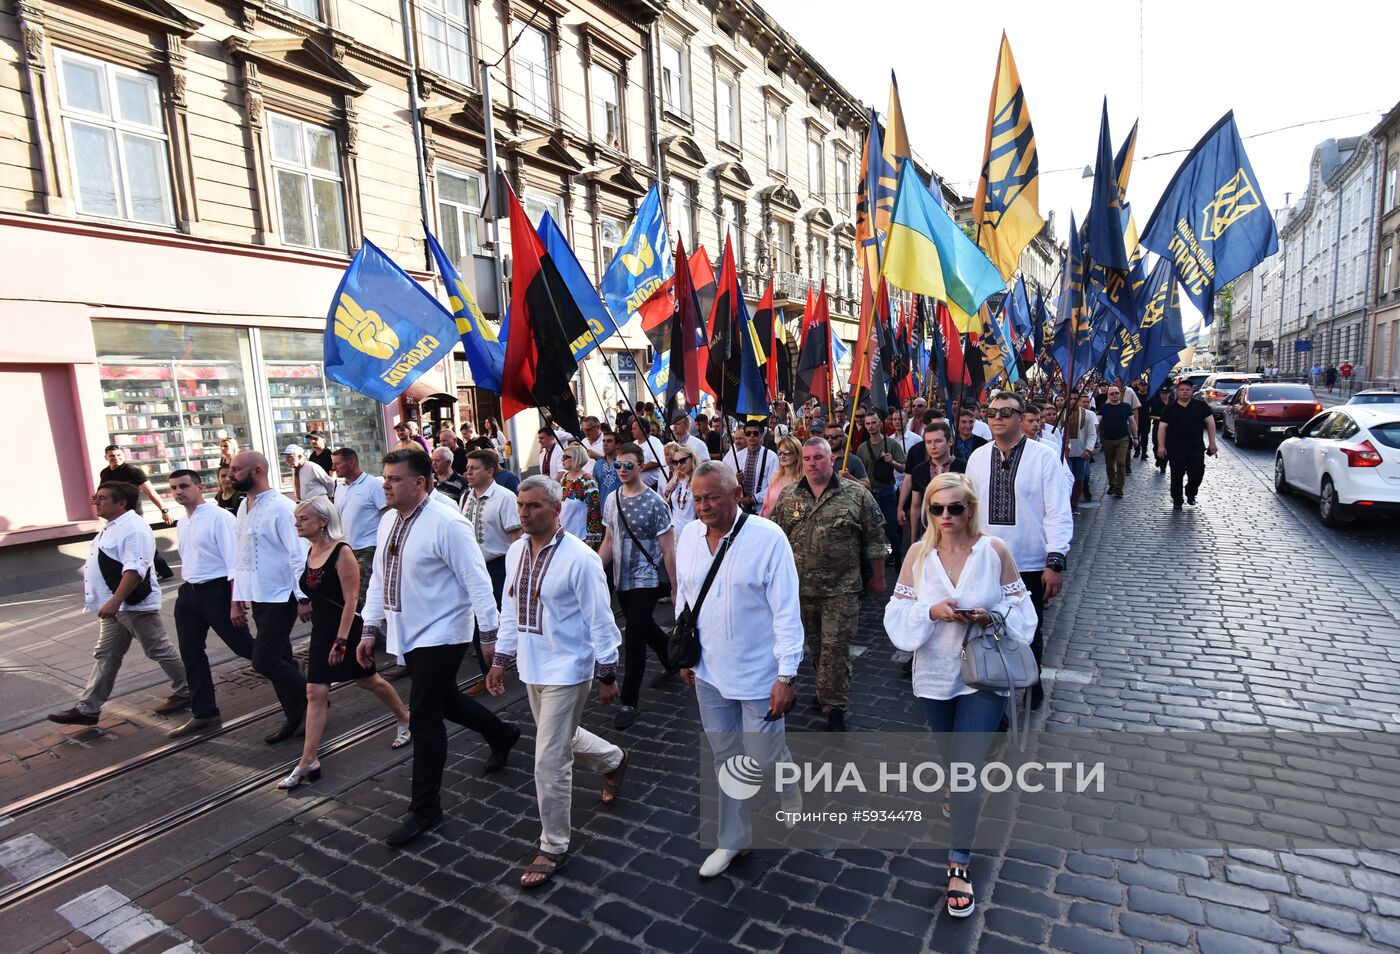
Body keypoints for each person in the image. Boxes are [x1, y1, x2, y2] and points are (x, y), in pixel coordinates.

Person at [884, 473, 1036, 919]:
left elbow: (1022, 610)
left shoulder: (995, 552)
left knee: (966, 770)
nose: (946, 516)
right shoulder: (917, 554)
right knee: (950, 755)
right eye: (937, 508)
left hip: (983, 677)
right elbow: (896, 614)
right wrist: (930, 611)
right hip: (934, 673)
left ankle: (959, 862)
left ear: (971, 508)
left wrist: (990, 615)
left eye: (955, 508)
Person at [362, 449, 521, 847]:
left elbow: (478, 581)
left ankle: (425, 808)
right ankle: (501, 733)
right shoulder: (387, 521)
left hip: (443, 632)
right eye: (384, 477)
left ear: (419, 482)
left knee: (425, 718)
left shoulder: (447, 522)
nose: (386, 484)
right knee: (445, 700)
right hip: (408, 631)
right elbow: (380, 576)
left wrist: (490, 637)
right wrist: (369, 627)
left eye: (394, 479)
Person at [486, 476, 628, 887]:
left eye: (534, 506)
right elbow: (510, 608)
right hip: (533, 665)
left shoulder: (580, 559)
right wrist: (501, 658)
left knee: (549, 758)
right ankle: (614, 760)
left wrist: (607, 674)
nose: (525, 513)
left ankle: (554, 844)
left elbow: (602, 622)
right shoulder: (515, 551)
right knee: (562, 738)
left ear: (557, 509)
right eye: (521, 506)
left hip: (568, 668)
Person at [678, 461, 803, 878]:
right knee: (726, 759)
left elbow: (787, 611)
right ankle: (734, 838)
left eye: (712, 496)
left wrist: (786, 675)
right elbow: (686, 597)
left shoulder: (768, 539)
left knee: (763, 757)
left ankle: (786, 777)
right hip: (709, 673)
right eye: (697, 499)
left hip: (759, 676)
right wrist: (685, 655)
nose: (704, 506)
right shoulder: (689, 537)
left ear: (737, 492)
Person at [278, 497, 411, 790]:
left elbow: (352, 599)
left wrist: (341, 640)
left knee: (368, 680)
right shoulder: (311, 550)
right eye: (297, 519)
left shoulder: (342, 552)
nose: (297, 524)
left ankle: (404, 717)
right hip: (321, 630)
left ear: (323, 521)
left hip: (346, 629)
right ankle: (309, 759)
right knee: (315, 692)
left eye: (304, 519)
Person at [47, 481, 190, 725]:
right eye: (96, 497)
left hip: (131, 605)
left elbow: (134, 570)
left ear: (121, 503)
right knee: (107, 655)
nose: (96, 502)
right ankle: (88, 709)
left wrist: (115, 601)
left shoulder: (132, 528)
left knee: (158, 649)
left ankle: (189, 691)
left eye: (102, 498)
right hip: (116, 606)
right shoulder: (113, 525)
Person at [771, 438, 888, 731]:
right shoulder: (788, 497)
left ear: (832, 459)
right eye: (808, 458)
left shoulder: (857, 495)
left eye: (818, 458)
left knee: (835, 648)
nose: (812, 463)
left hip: (842, 589)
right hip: (800, 590)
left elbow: (876, 539)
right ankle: (826, 691)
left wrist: (879, 577)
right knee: (816, 646)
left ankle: (835, 706)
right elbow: (774, 541)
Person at [965, 392, 1073, 710]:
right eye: (991, 412)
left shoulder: (1044, 457)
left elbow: (1057, 512)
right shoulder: (977, 458)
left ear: (1020, 416)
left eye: (1006, 412)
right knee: (984, 627)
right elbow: (968, 510)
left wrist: (1055, 561)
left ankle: (1031, 683)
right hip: (985, 560)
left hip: (1028, 562)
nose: (997, 418)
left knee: (1028, 629)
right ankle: (989, 685)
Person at [165, 469, 256, 737]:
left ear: (200, 487)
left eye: (183, 486)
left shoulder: (220, 518)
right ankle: (204, 712)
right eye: (173, 488)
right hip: (189, 593)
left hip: (217, 591)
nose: (179, 492)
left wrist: (235, 601)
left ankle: (292, 678)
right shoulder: (183, 522)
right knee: (191, 653)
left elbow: (234, 562)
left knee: (244, 646)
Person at [228, 451, 310, 744]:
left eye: (237, 469)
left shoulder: (281, 507)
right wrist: (237, 597)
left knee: (264, 660)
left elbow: (298, 552)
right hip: (258, 595)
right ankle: (296, 714)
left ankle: (314, 699)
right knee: (281, 658)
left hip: (281, 595)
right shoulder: (243, 506)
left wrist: (303, 596)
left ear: (258, 470)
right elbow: (241, 554)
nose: (230, 474)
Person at [598, 442, 678, 729]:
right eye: (617, 465)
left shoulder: (656, 503)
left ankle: (629, 702)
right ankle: (673, 660)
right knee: (644, 628)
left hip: (646, 579)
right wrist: (595, 570)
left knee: (633, 640)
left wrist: (675, 588)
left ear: (641, 466)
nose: (622, 470)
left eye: (628, 465)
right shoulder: (612, 499)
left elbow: (668, 549)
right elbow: (609, 540)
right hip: (622, 578)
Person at [460, 449, 523, 681]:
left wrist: (517, 573)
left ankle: (503, 664)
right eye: (467, 468)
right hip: (473, 569)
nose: (468, 472)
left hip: (499, 567)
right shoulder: (466, 496)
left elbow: (517, 537)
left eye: (474, 468)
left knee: (502, 618)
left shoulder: (505, 497)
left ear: (489, 470)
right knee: (479, 620)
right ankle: (488, 673)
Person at [98, 446, 174, 580]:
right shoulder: (105, 473)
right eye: (112, 456)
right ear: (106, 457)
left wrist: (164, 510)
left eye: (119, 455)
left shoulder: (133, 472)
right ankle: (155, 571)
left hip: (133, 514)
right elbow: (102, 492)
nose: (116, 458)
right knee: (125, 544)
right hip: (114, 515)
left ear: (124, 456)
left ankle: (160, 570)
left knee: (140, 542)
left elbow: (151, 492)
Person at [331, 447, 385, 611]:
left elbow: (387, 514)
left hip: (368, 548)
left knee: (363, 595)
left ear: (352, 462)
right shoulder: (340, 488)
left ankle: (374, 633)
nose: (334, 468)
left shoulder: (373, 484)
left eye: (337, 464)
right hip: (347, 549)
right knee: (348, 594)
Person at [1157, 378, 1217, 510]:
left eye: (1187, 390)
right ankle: (1177, 500)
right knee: (1176, 476)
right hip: (1175, 448)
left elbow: (1211, 423)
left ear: (1192, 391)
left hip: (1195, 448)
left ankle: (1191, 492)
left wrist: (1212, 443)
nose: (1185, 392)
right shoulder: (1170, 408)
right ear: (1177, 392)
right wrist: (1161, 446)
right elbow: (1162, 428)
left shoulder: (1201, 406)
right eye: (1182, 390)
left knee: (1197, 472)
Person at [856, 410, 906, 564]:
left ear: (880, 424)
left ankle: (898, 560)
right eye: (868, 423)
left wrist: (892, 462)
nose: (871, 426)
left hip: (887, 492)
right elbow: (860, 472)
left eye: (873, 423)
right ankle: (874, 561)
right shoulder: (862, 448)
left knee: (891, 529)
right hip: (869, 493)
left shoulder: (892, 444)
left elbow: (902, 468)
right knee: (869, 530)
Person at [907, 422, 968, 543]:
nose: (932, 446)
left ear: (950, 441)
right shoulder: (919, 470)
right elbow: (915, 506)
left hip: (959, 533)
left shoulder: (965, 467)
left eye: (938, 441)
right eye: (928, 442)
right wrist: (914, 539)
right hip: (928, 533)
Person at [726, 420, 780, 514]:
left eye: (755, 433)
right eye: (748, 433)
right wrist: (735, 479)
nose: (751, 436)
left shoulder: (771, 457)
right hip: (740, 510)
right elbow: (727, 482)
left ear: (761, 435)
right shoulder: (738, 456)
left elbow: (773, 486)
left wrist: (753, 499)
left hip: (762, 509)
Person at [558, 443, 603, 548]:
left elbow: (594, 510)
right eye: (562, 457)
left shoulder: (588, 481)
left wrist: (591, 538)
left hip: (580, 537)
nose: (562, 460)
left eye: (566, 457)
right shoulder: (565, 477)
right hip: (563, 534)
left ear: (576, 458)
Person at [1098, 386, 1136, 498]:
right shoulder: (1104, 408)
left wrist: (1135, 437)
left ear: (1120, 394)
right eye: (1112, 394)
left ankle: (1119, 487)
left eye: (1116, 393)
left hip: (1122, 439)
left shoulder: (1126, 406)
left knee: (1120, 462)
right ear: (1108, 395)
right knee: (1109, 464)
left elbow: (1132, 422)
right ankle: (1112, 484)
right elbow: (1098, 420)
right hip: (1108, 439)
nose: (1114, 395)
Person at [1062, 393, 1097, 507]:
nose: (1072, 401)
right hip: (1065, 454)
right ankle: (1066, 503)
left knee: (1079, 479)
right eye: (1070, 399)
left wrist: (1088, 449)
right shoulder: (1060, 414)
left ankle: (1074, 503)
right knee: (1067, 479)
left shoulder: (1088, 415)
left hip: (1080, 453)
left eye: (1075, 399)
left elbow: (1092, 434)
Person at [663, 441, 703, 539]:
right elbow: (667, 505)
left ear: (692, 459)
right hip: (674, 534)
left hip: (694, 534)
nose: (679, 465)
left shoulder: (700, 480)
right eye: (675, 462)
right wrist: (667, 493)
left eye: (683, 460)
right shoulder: (676, 479)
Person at [761, 435, 804, 518]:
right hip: (771, 526)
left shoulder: (803, 480)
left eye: (787, 453)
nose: (782, 456)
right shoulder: (775, 477)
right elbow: (765, 506)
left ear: (797, 455)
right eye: (780, 453)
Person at [628, 416, 669, 491]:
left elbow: (657, 462)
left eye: (634, 429)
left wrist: (638, 468)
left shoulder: (655, 442)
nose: (632, 431)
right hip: (638, 488)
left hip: (653, 487)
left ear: (643, 429)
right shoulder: (634, 443)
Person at [1146, 383, 1173, 472]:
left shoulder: (1173, 403)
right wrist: (1159, 418)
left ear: (1169, 394)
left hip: (1170, 428)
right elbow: (1150, 415)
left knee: (1168, 446)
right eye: (1162, 393)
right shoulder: (1156, 403)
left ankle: (1163, 465)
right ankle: (1158, 459)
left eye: (1166, 393)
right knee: (1156, 445)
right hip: (1157, 427)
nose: (1164, 395)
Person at [592, 430, 622, 509]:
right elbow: (594, 488)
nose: (605, 444)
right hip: (602, 508)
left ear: (618, 445)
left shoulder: (623, 463)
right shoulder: (598, 464)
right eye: (604, 441)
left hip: (621, 508)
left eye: (609, 441)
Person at [1132, 381, 1153, 459]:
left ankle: (1144, 452)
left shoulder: (1150, 395)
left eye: (1145, 385)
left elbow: (1153, 406)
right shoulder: (1135, 395)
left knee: (1145, 437)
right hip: (1136, 419)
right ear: (1138, 386)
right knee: (1136, 435)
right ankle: (1137, 451)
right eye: (1142, 385)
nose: (1143, 387)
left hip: (1146, 419)